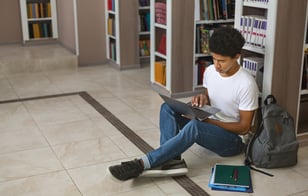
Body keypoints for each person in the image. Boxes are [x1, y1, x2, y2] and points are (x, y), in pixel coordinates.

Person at [108, 26, 259, 181]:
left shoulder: (246, 84)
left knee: (195, 126)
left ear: (236, 56)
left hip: (232, 142)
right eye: (214, 59)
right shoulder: (210, 72)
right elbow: (209, 96)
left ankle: (142, 163)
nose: (217, 65)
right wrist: (202, 99)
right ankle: (172, 161)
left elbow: (244, 128)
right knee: (167, 108)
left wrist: (209, 122)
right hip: (208, 127)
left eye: (222, 61)